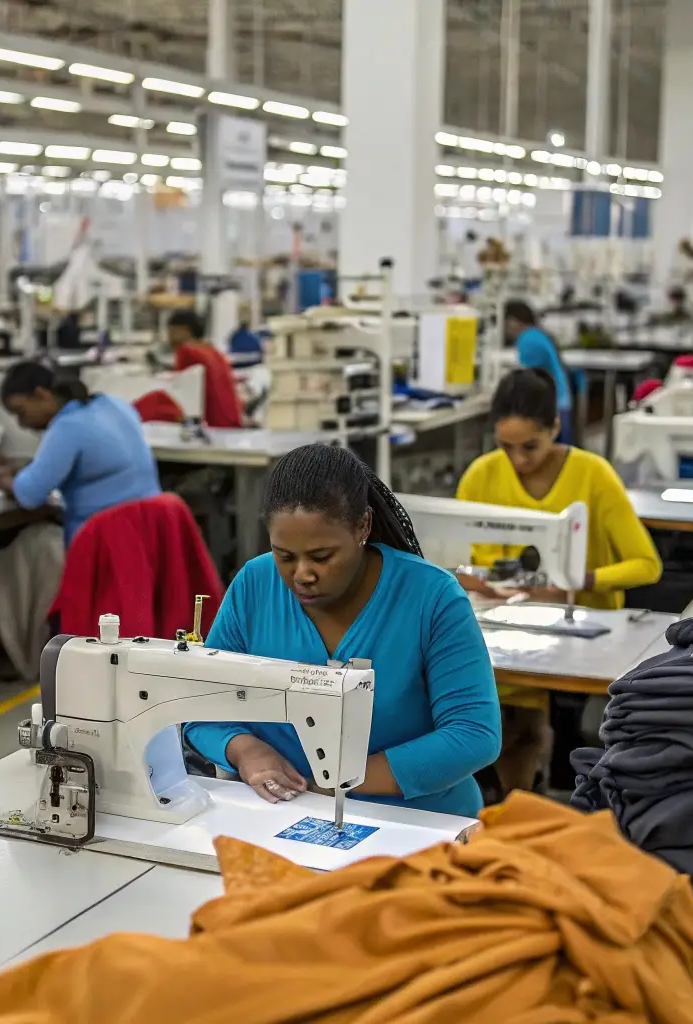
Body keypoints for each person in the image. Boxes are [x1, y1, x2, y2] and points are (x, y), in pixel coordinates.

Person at [183, 444, 500, 817]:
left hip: (422, 821)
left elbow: (474, 734)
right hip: (286, 815)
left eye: (321, 556)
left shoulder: (431, 597)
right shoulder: (255, 584)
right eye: (284, 556)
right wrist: (246, 750)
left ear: (363, 526)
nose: (302, 574)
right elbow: (201, 706)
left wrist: (339, 781)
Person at [453, 369, 661, 793]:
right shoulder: (481, 476)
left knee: (544, 724)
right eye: (506, 447)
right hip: (506, 623)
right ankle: (510, 799)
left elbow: (646, 565)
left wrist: (575, 582)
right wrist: (472, 580)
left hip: (585, 632)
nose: (518, 460)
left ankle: (549, 791)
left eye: (530, 446)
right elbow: (457, 558)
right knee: (480, 703)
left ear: (556, 427)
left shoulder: (593, 475)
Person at [0, 362, 160, 543]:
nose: (22, 424)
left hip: (107, 542)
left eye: (21, 411)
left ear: (42, 395)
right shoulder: (113, 404)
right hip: (149, 530)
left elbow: (29, 495)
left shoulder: (67, 426)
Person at [166, 309, 245, 429]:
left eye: (171, 332)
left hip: (213, 425)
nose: (169, 338)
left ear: (185, 330)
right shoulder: (214, 351)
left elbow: (180, 393)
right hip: (232, 422)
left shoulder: (186, 351)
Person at [503, 300, 572, 432]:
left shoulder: (528, 340)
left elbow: (526, 379)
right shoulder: (537, 335)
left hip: (550, 409)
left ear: (512, 321)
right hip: (557, 405)